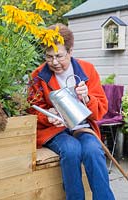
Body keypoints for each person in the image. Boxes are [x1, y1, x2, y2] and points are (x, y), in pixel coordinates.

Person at [27, 23, 115, 200]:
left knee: (93, 150)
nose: (54, 62)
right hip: (55, 130)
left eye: (59, 56)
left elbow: (101, 111)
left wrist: (88, 98)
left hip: (82, 127)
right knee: (71, 149)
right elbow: (32, 110)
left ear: (70, 51)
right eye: (49, 57)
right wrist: (48, 115)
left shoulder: (87, 70)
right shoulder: (38, 75)